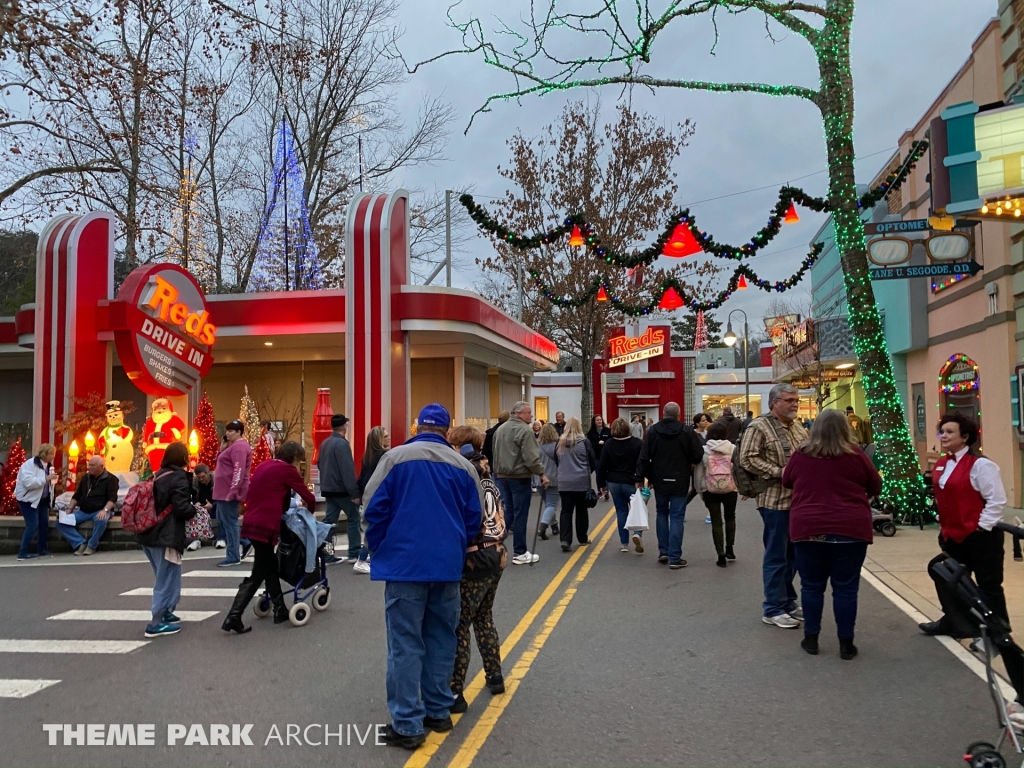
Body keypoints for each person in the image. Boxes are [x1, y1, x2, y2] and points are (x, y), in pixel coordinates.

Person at [363, 404, 482, 750]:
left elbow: (372, 509)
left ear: (418, 427)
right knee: (441, 638)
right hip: (446, 566)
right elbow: (474, 519)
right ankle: (438, 710)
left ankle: (407, 722)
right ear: (446, 431)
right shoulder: (463, 466)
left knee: (405, 643)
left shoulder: (394, 459)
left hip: (403, 566)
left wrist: (379, 550)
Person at [783, 408, 879, 659]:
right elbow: (875, 485)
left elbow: (787, 480)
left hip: (809, 528)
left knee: (811, 586)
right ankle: (846, 644)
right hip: (850, 528)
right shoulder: (856, 455)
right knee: (846, 589)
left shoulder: (801, 454)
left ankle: (811, 639)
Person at [919, 413, 1010, 639]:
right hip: (953, 535)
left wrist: (982, 526)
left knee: (989, 585)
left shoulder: (981, 465)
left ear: (965, 436)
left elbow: (996, 499)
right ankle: (955, 620)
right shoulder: (942, 464)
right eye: (943, 432)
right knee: (954, 581)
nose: (944, 436)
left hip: (981, 536)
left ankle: (998, 631)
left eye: (950, 432)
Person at [222, 440, 317, 633]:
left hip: (252, 521)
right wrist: (311, 513)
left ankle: (280, 608)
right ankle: (233, 615)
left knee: (269, 566)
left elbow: (269, 493)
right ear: (293, 458)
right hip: (266, 524)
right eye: (299, 461)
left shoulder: (264, 465)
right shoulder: (287, 471)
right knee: (259, 572)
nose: (299, 465)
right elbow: (308, 496)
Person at [739, 383, 808, 629]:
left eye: (795, 400)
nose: (794, 403)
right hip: (774, 501)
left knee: (794, 556)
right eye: (789, 400)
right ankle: (773, 608)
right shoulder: (759, 427)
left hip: (798, 500)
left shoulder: (797, 427)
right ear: (774, 402)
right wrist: (780, 472)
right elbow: (747, 458)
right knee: (777, 555)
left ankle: (787, 601)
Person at [450, 447, 508, 714]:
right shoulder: (489, 479)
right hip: (496, 551)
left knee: (461, 624)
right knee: (484, 617)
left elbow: (467, 520)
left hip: (474, 556)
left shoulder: (466, 479)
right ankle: (494, 674)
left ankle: (454, 690)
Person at [137, 442, 196, 638]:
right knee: (166, 577)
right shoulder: (178, 477)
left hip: (149, 533)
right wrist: (194, 510)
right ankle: (156, 622)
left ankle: (167, 611)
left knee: (166, 575)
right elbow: (181, 507)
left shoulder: (158, 474)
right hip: (166, 535)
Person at [635, 402, 703, 569]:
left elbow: (644, 456)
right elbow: (698, 454)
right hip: (680, 479)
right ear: (678, 414)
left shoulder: (653, 431)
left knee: (662, 513)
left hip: (660, 479)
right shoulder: (687, 431)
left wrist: (640, 477)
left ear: (663, 413)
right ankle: (675, 556)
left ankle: (663, 551)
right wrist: (690, 463)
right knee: (677, 517)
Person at [492, 401, 549, 565]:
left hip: (502, 475)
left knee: (508, 511)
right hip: (519, 475)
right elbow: (531, 456)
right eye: (529, 412)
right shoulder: (524, 430)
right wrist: (541, 473)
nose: (531, 416)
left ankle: (494, 545)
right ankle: (520, 551)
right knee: (520, 513)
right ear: (519, 414)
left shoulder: (501, 429)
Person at [318, 414, 361, 564]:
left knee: (329, 523)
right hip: (342, 490)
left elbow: (319, 464)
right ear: (344, 426)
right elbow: (347, 470)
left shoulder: (325, 443)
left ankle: (327, 554)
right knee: (353, 519)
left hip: (328, 488)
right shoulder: (342, 444)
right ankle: (354, 553)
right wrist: (354, 492)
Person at [598, 417, 643, 553]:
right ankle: (637, 533)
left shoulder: (609, 444)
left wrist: (602, 484)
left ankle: (624, 543)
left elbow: (602, 465)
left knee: (621, 511)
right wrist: (643, 478)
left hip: (614, 482)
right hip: (632, 481)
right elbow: (642, 462)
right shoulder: (637, 443)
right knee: (637, 510)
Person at [57, 455, 119, 555]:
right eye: (89, 465)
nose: (89, 467)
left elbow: (113, 498)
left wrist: (105, 510)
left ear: (101, 466)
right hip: (83, 511)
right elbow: (77, 495)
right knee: (60, 521)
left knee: (101, 520)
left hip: (100, 509)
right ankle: (80, 543)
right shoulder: (86, 477)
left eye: (93, 466)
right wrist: (69, 509)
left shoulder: (111, 479)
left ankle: (91, 546)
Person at [698, 422, 739, 567]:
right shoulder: (733, 448)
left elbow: (699, 473)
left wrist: (700, 491)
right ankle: (730, 548)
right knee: (730, 517)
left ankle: (720, 555)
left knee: (716, 521)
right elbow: (739, 469)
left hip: (710, 489)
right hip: (730, 488)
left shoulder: (703, 450)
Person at [213, 420, 252, 567]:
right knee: (225, 521)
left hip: (228, 491)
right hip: (224, 490)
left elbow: (239, 470)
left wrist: (233, 490)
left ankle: (233, 555)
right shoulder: (233, 447)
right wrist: (222, 449)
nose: (227, 433)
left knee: (229, 523)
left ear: (239, 432)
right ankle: (244, 543)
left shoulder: (240, 447)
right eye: (227, 430)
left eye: (231, 431)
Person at [557, 416, 597, 552]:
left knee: (566, 510)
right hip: (581, 481)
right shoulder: (584, 442)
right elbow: (592, 460)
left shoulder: (560, 442)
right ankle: (582, 537)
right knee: (581, 510)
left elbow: (556, 459)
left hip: (564, 481)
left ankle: (565, 539)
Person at [353, 426, 390, 574]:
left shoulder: (368, 456)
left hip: (368, 496)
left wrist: (359, 495)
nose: (389, 438)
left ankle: (370, 557)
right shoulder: (383, 456)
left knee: (374, 527)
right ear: (379, 440)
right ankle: (361, 559)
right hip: (379, 496)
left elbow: (362, 478)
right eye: (385, 436)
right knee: (378, 528)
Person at [15, 443, 57, 560]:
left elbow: (49, 484)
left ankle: (42, 549)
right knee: (32, 525)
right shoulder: (29, 465)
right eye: (51, 454)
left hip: (42, 500)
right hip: (28, 500)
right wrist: (46, 479)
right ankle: (23, 552)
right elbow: (28, 483)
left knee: (43, 524)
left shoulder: (49, 466)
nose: (53, 456)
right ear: (44, 454)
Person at [536, 423, 561, 540]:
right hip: (554, 477)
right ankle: (543, 526)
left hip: (539, 477)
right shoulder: (557, 445)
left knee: (548, 504)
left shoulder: (537, 445)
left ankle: (554, 526)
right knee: (552, 504)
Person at [186, 463, 215, 552]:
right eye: (199, 477)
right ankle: (196, 540)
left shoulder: (215, 481)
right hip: (201, 507)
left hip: (214, 506)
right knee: (194, 514)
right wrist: (196, 503)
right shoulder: (195, 483)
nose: (201, 479)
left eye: (203, 476)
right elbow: (193, 498)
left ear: (208, 473)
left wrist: (212, 505)